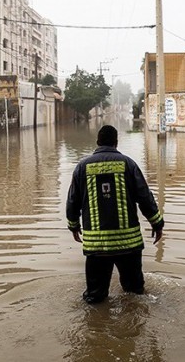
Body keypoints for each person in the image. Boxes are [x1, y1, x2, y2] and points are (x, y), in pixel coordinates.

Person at [66, 125, 164, 304]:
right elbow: (144, 197)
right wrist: (157, 224)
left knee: (95, 297)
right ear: (116, 143)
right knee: (135, 293)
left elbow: (73, 201)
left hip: (97, 247)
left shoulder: (82, 167)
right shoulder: (128, 164)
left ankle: (95, 328)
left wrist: (73, 226)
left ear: (97, 142)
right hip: (128, 244)